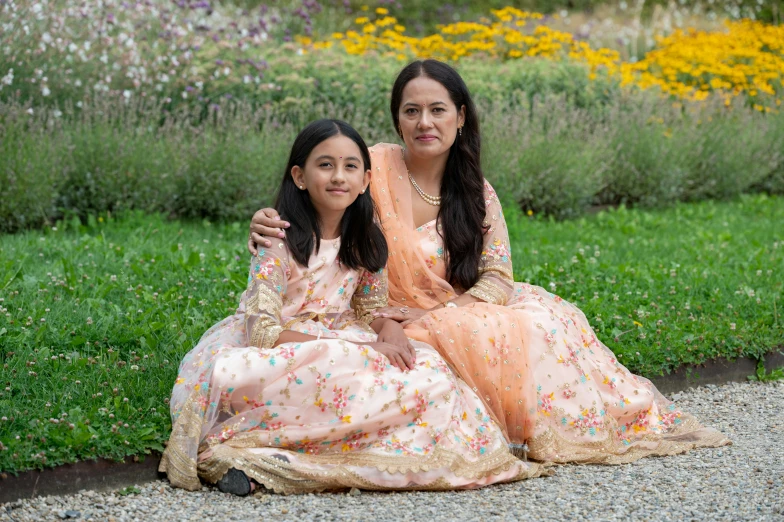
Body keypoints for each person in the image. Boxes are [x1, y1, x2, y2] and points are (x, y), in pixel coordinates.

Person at [248, 61, 730, 465]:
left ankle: (551, 428)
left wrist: (444, 314)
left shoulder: (477, 194)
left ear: (460, 117)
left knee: (542, 323)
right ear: (397, 120)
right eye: (411, 111)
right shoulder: (369, 167)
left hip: (454, 308)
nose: (424, 123)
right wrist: (265, 219)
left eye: (437, 110)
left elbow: (498, 275)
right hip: (379, 315)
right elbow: (318, 195)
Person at [159, 119, 545, 495]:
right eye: (325, 165)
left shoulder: (365, 241)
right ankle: (256, 452)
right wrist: (359, 349)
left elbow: (369, 310)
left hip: (341, 340)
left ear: (365, 181)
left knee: (430, 375)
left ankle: (323, 455)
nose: (338, 177)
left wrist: (389, 330)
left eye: (350, 167)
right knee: (251, 375)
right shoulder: (277, 240)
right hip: (279, 348)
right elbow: (262, 332)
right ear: (299, 176)